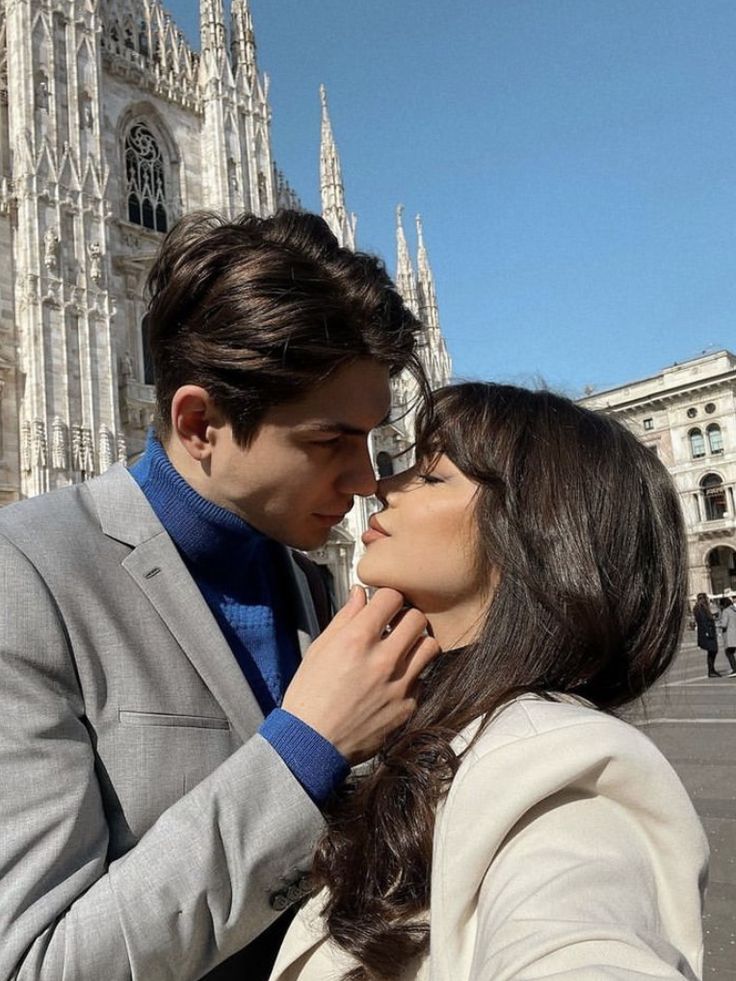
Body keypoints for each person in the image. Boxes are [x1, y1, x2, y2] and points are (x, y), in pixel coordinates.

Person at [0, 210, 441, 980]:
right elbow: (38, 963)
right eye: (331, 440)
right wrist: (307, 749)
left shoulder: (310, 580)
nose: (368, 478)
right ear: (199, 422)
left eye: (373, 440)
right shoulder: (30, 574)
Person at [271, 382, 709, 981]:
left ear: (533, 530)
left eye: (429, 477)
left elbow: (581, 936)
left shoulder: (560, 770)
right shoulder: (439, 725)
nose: (378, 485)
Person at [694, 592, 721, 677]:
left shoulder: (701, 608)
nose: (707, 600)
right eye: (706, 598)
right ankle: (711, 670)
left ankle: (712, 669)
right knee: (713, 650)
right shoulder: (700, 608)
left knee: (712, 651)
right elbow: (703, 621)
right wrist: (708, 632)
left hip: (708, 632)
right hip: (707, 633)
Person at [718, 596, 736, 676]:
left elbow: (724, 624)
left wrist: (718, 624)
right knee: (732, 652)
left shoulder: (725, 611)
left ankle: (734, 669)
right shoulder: (733, 610)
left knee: (729, 653)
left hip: (730, 635)